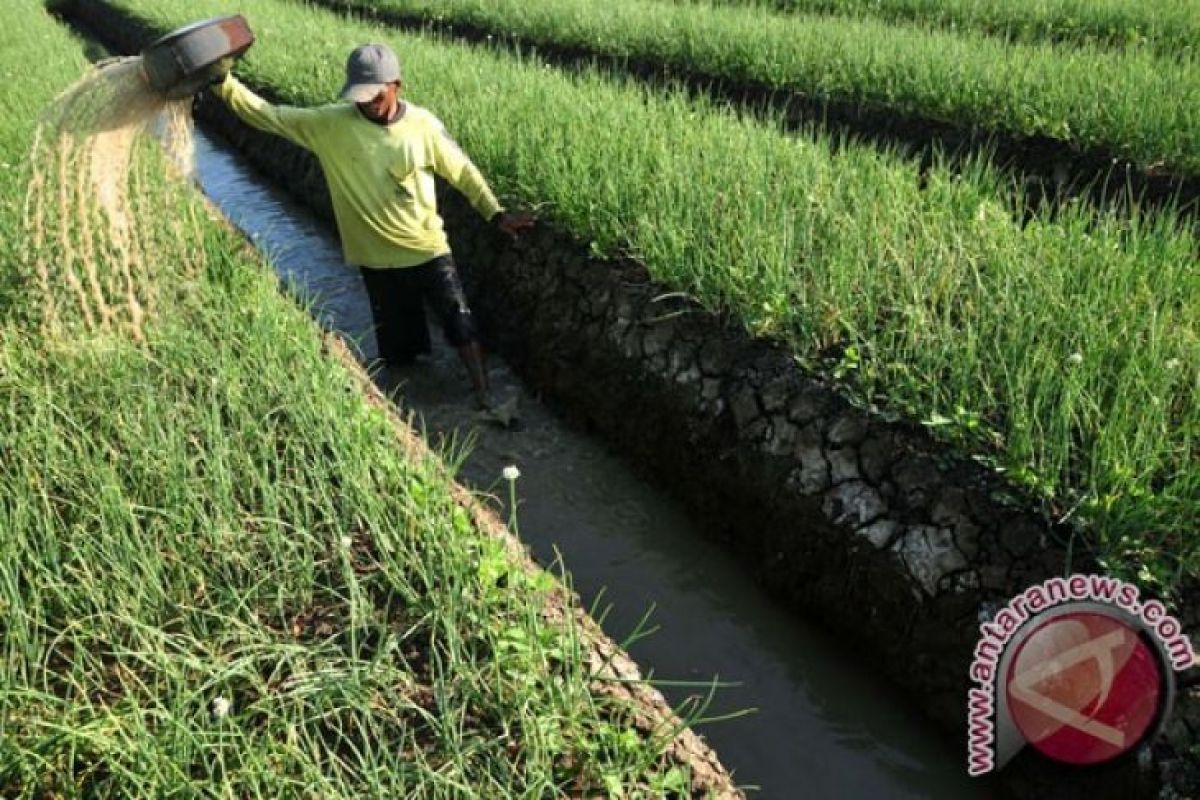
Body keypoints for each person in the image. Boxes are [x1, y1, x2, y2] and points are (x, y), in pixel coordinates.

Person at [211, 43, 534, 414]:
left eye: (375, 96)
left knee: (460, 322)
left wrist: (496, 214)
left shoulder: (423, 127)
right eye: (359, 97)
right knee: (399, 353)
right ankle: (411, 411)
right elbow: (269, 116)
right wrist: (224, 83)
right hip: (375, 260)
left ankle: (484, 394)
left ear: (397, 85)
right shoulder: (331, 125)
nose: (366, 104)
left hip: (426, 248)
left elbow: (462, 172)